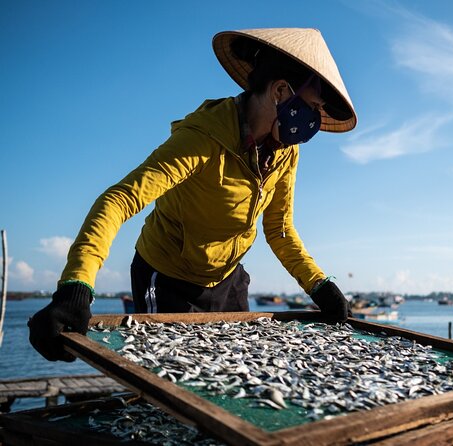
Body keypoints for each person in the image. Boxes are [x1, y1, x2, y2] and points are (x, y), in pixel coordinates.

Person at [28, 28, 356, 362]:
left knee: (242, 368)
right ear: (281, 91)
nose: (314, 121)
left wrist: (319, 286)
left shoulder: (285, 152)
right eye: (312, 108)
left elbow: (280, 229)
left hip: (227, 279)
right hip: (168, 278)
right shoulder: (204, 137)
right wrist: (75, 287)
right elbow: (120, 200)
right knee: (170, 374)